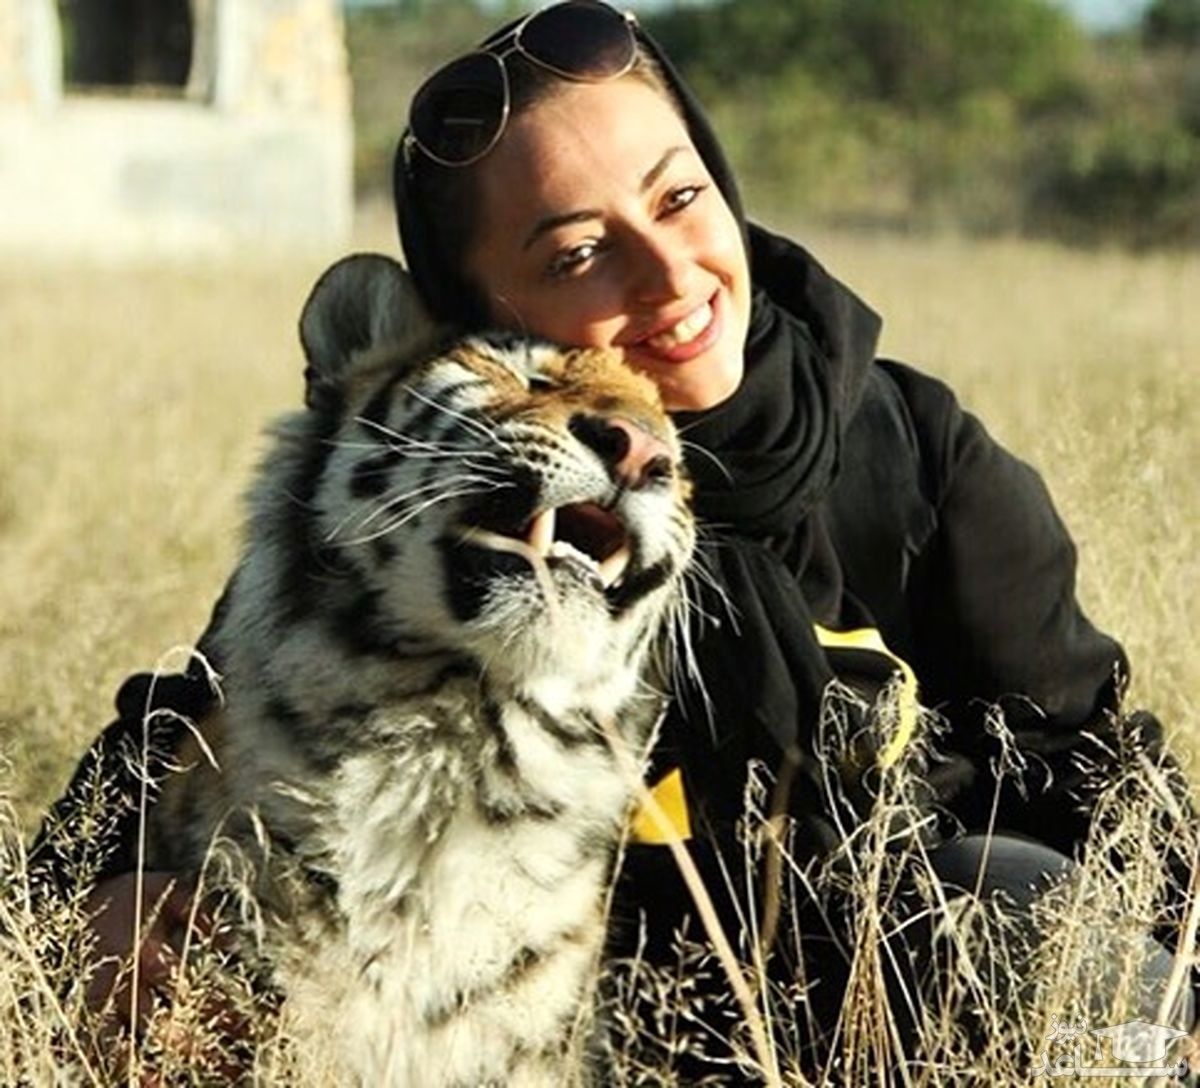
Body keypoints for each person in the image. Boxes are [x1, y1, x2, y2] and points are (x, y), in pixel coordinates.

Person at [32, 0, 1196, 1078]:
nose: (671, 272)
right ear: (481, 316)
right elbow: (192, 722)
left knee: (1013, 900)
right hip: (579, 1030)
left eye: (679, 198)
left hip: (893, 1008)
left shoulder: (912, 453)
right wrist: (110, 895)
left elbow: (1100, 770)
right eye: (577, 254)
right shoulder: (431, 509)